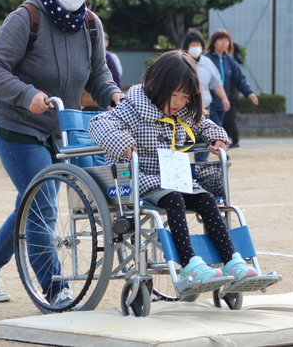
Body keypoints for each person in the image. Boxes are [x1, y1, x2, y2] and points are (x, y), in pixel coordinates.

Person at [0, 0, 123, 304]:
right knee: (43, 201)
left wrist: (114, 95)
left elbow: (98, 75)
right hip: (16, 126)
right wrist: (27, 95)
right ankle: (56, 288)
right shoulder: (26, 18)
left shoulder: (90, 24)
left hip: (60, 128)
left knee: (32, 201)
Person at [88, 50, 257, 284]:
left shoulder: (183, 113)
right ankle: (189, 264)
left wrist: (217, 138)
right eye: (174, 95)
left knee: (206, 199)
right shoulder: (133, 107)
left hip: (172, 178)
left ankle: (231, 261)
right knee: (174, 198)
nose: (179, 102)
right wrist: (123, 143)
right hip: (139, 177)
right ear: (158, 87)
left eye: (185, 96)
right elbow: (99, 123)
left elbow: (203, 124)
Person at [181, 29, 229, 162]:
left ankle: (201, 168)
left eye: (198, 45)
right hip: (182, 112)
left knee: (204, 143)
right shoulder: (179, 61)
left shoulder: (207, 62)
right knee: (180, 144)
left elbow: (216, 82)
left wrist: (224, 98)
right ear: (186, 47)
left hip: (204, 109)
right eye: (192, 45)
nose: (196, 48)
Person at [204, 30, 258, 128]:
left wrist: (250, 93)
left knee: (217, 130)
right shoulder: (206, 59)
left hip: (223, 103)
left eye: (226, 40)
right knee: (216, 129)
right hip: (208, 102)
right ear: (214, 42)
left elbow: (240, 79)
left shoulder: (230, 60)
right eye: (220, 40)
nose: (224, 42)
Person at [80, 31, 122, 110]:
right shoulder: (84, 55)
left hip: (104, 99)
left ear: (107, 43)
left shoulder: (109, 57)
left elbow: (114, 78)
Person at [223, 42, 245, 148]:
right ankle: (227, 140)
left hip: (231, 97)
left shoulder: (232, 62)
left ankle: (235, 141)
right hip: (230, 96)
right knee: (227, 121)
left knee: (230, 120)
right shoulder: (230, 61)